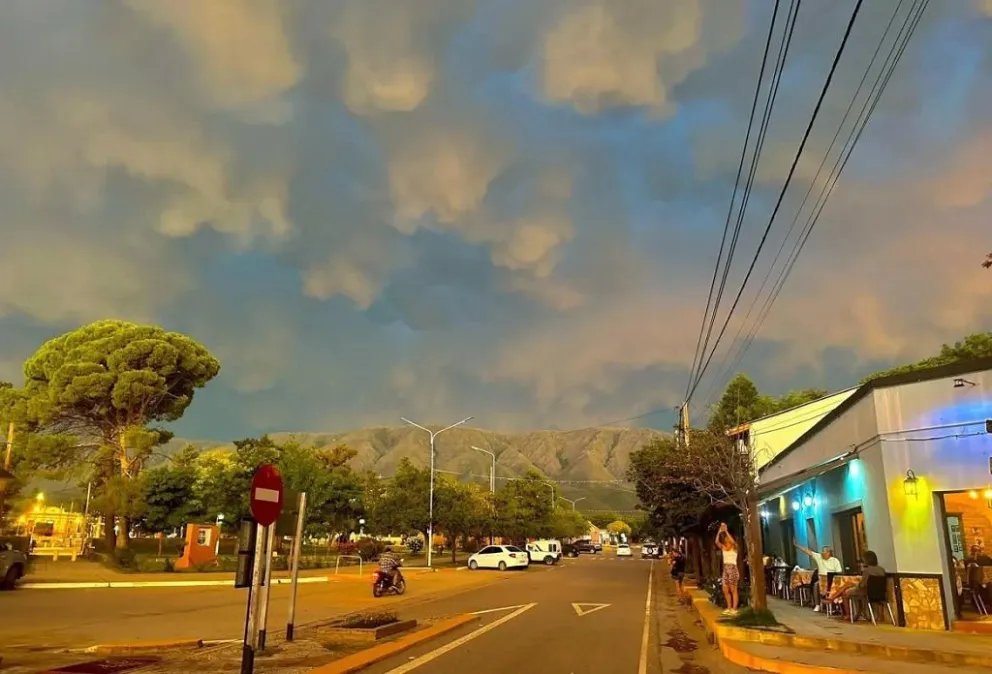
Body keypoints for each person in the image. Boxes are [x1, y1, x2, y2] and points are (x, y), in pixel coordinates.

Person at [826, 550, 886, 619]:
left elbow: (862, 585)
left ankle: (848, 614)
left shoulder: (867, 571)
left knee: (845, 593)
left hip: (866, 592)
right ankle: (834, 598)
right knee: (848, 585)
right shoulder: (882, 570)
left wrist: (856, 585)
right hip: (880, 593)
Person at [794, 539, 843, 611]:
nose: (822, 553)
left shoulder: (835, 560)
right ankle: (817, 604)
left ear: (829, 553)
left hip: (832, 580)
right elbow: (808, 551)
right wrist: (797, 545)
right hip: (821, 580)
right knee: (816, 585)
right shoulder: (819, 557)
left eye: (824, 551)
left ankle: (837, 605)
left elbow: (839, 572)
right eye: (822, 551)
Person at [716, 522, 739, 615]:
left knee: (733, 589)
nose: (726, 541)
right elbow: (717, 542)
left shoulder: (735, 548)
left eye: (727, 540)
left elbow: (733, 542)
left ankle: (734, 609)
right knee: (725, 589)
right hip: (726, 569)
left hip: (732, 568)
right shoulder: (724, 548)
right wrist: (719, 531)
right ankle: (729, 608)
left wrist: (726, 531)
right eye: (725, 540)